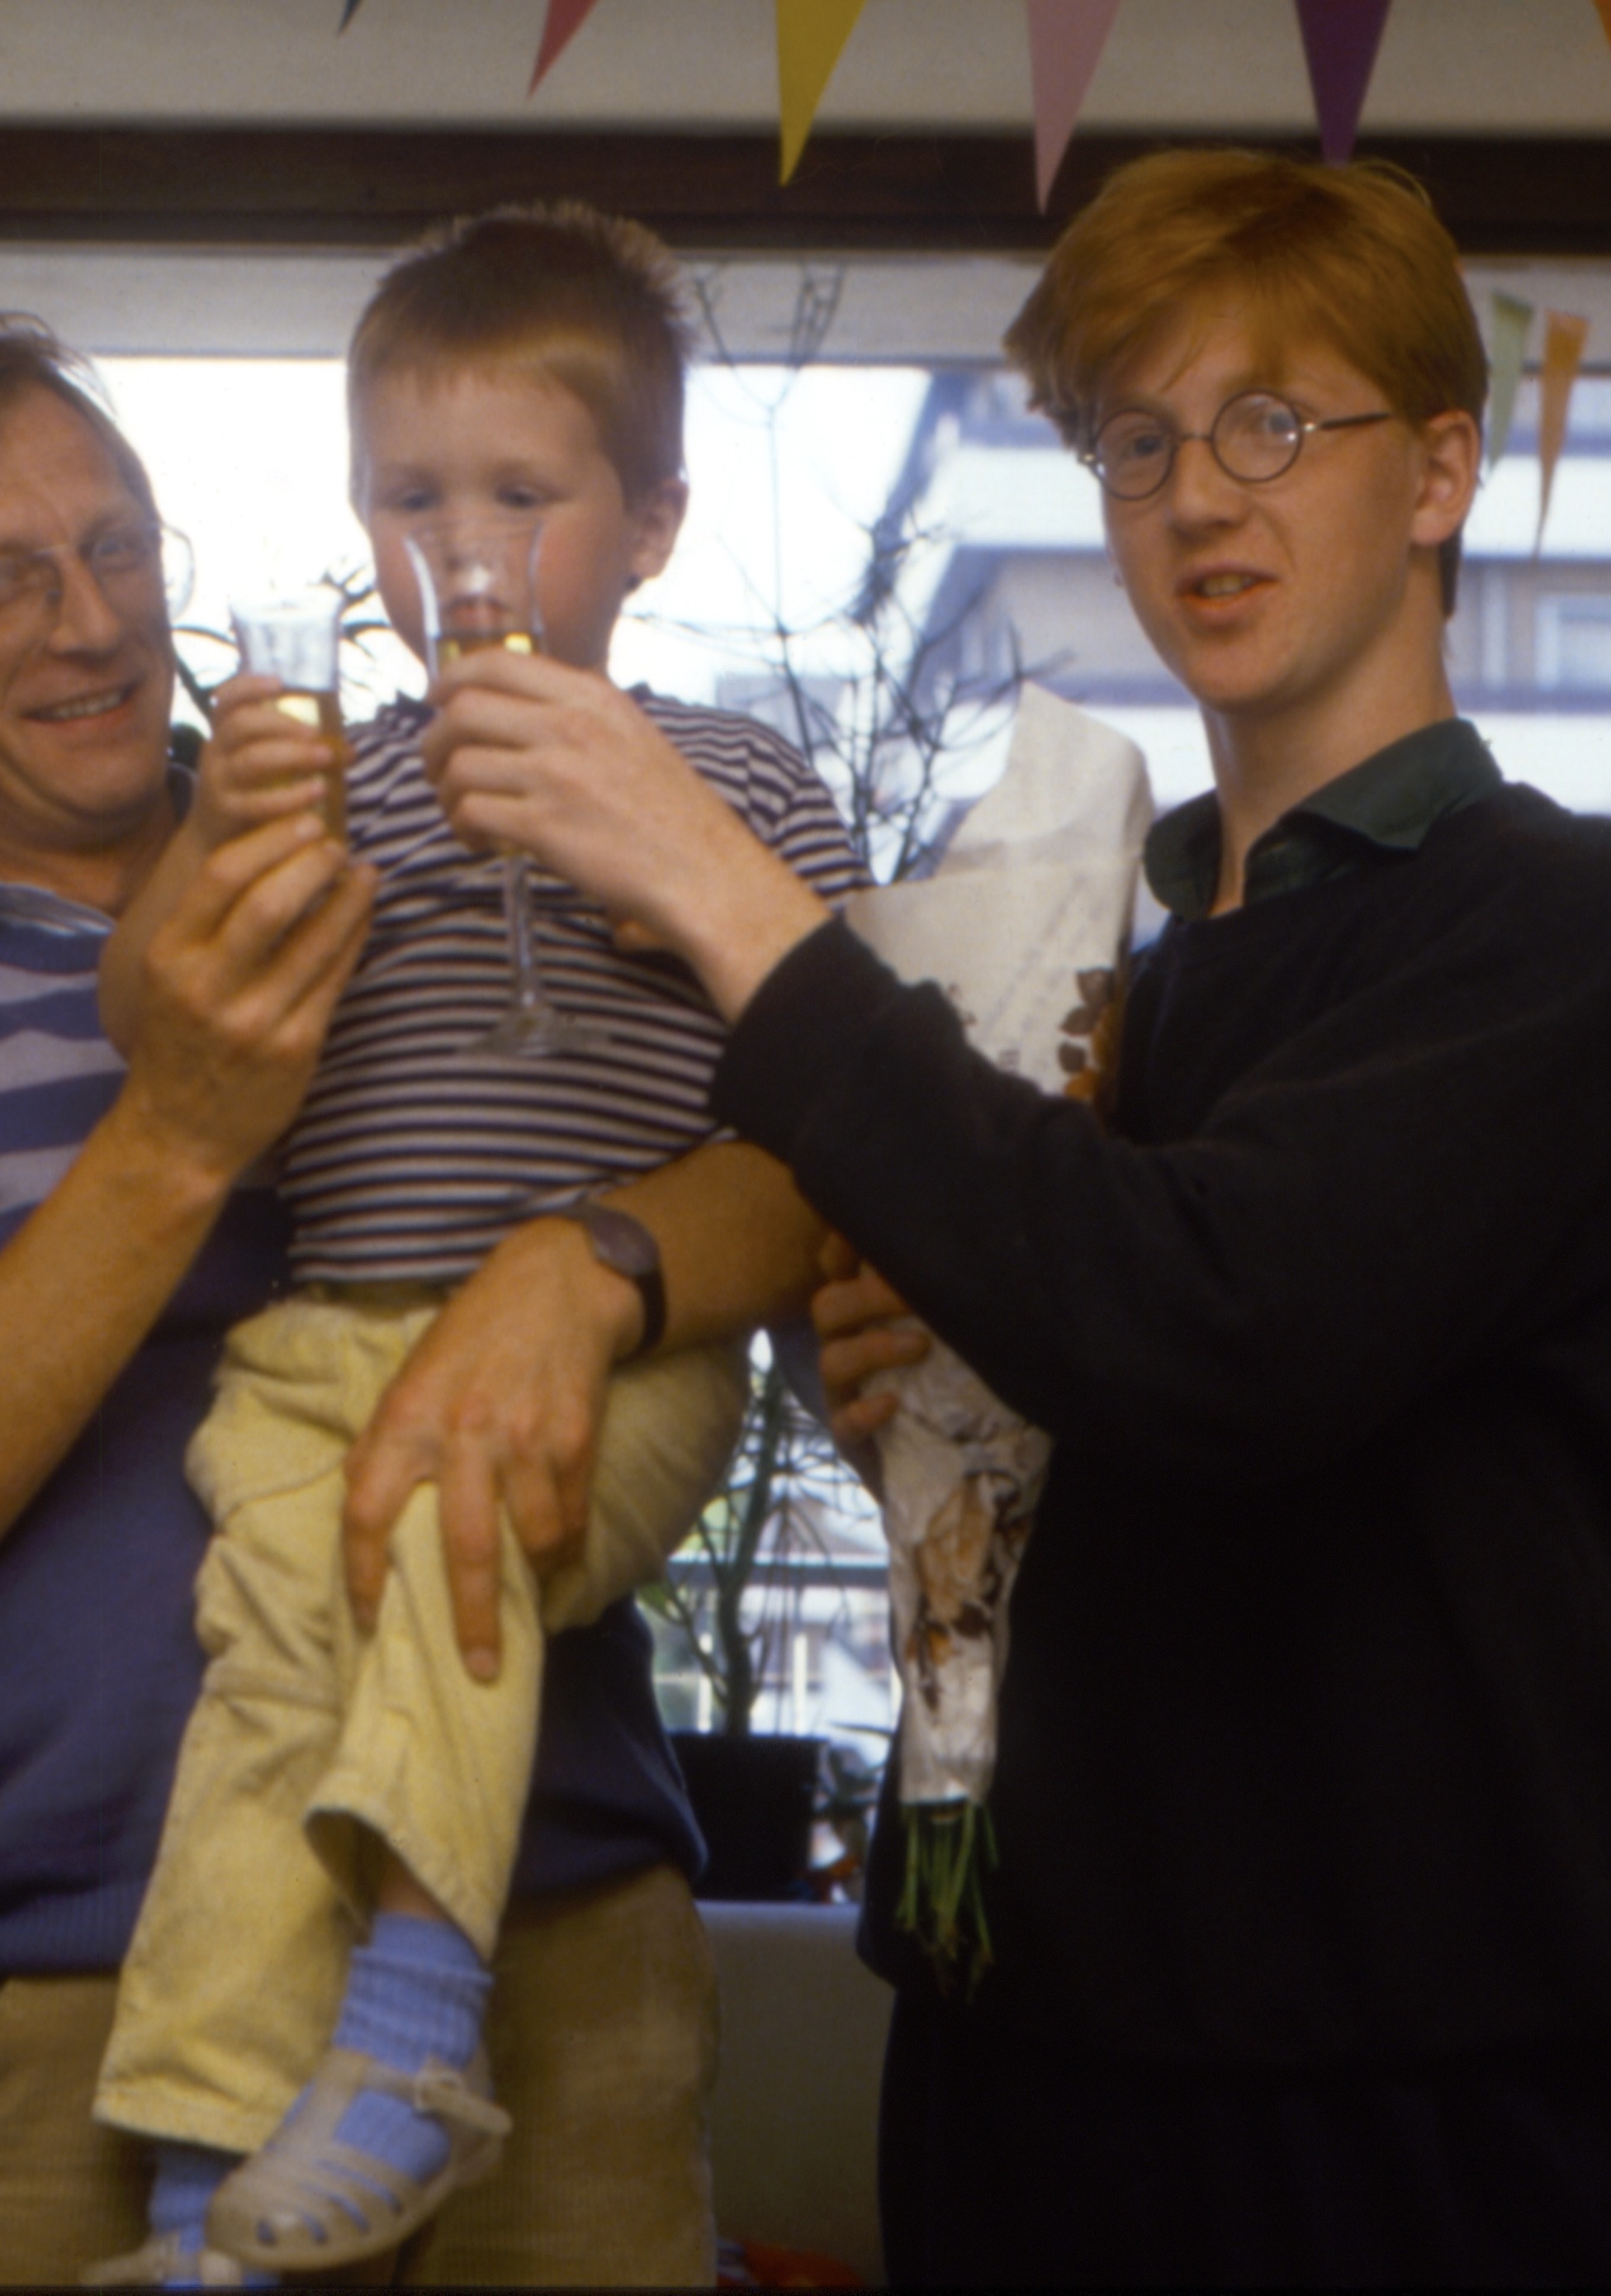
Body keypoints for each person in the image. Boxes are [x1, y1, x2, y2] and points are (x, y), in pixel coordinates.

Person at [434, 149, 1611, 2284]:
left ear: (1439, 471)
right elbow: (1060, 1353)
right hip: (1015, 2041)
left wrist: (719, 888)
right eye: (1135, 442)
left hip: (1397, 2092)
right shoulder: (1088, 980)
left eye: (1273, 423)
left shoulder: (1551, 929)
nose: (1197, 498)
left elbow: (1212, 1324)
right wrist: (905, 1378)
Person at [0, 313, 837, 2287]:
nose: (98, 620)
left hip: (553, 1942)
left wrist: (593, 1262)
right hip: (78, 1987)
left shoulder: (436, 842)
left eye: (117, 545)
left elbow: (821, 1162)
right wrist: (180, 1130)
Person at [83, 205, 867, 2282]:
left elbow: (854, 1070)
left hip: (618, 1354)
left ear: (650, 529)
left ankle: (418, 2024)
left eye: (524, 496)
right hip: (323, 1332)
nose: (464, 551)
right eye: (411, 498)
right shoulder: (324, 793)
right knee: (264, 1677)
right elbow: (146, 1026)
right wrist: (218, 853)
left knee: (457, 1529)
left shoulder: (731, 776)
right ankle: (207, 2185)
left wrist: (666, 864)